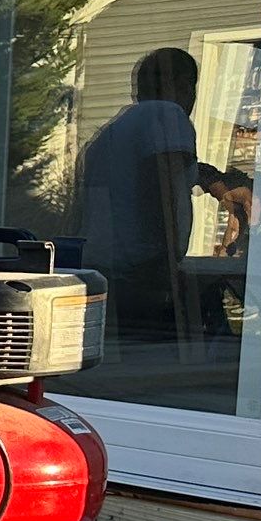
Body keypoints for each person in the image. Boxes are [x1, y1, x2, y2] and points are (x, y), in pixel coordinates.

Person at [73, 47, 201, 343]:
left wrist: (216, 181)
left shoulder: (113, 132)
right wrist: (166, 262)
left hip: (107, 272)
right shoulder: (167, 113)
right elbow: (163, 180)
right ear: (183, 85)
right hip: (143, 271)